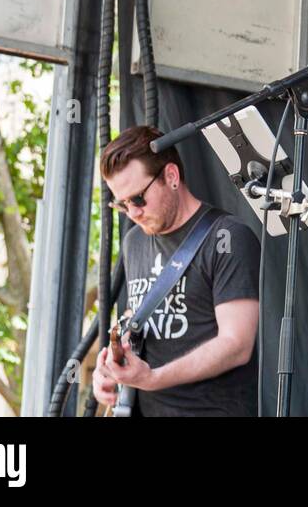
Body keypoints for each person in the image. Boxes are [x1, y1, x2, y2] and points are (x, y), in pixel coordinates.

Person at [91, 125, 261, 416]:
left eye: (138, 198)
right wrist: (109, 370)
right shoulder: (134, 241)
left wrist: (152, 379)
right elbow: (140, 315)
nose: (133, 213)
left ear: (171, 176)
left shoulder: (228, 237)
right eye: (122, 204)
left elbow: (236, 344)